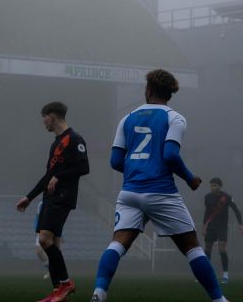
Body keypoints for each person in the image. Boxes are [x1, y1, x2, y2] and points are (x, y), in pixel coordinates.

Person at [90, 69, 229, 302]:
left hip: (130, 193)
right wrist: (189, 178)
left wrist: (137, 171)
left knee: (117, 243)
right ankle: (218, 299)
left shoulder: (127, 118)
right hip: (161, 192)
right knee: (192, 248)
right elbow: (171, 155)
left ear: (148, 90)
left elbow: (115, 161)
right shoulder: (175, 118)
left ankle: (99, 292)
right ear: (169, 93)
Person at [16, 101, 89, 302]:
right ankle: (58, 292)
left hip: (63, 196)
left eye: (44, 117)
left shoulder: (74, 139)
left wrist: (60, 176)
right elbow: (48, 175)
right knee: (53, 243)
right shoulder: (56, 143)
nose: (43, 122)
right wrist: (29, 197)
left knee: (44, 240)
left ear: (53, 116)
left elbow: (84, 168)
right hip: (50, 197)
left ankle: (65, 283)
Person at [203, 177, 243, 284]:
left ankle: (225, 275)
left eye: (215, 185)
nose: (213, 188)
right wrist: (204, 227)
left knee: (222, 249)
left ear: (220, 186)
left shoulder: (227, 197)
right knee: (207, 249)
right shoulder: (207, 197)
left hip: (222, 227)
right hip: (211, 227)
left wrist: (240, 225)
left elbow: (236, 210)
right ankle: (205, 274)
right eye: (211, 185)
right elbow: (207, 213)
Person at [34, 201, 51, 280]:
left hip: (51, 229)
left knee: (52, 252)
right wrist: (36, 228)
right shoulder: (41, 203)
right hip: (41, 229)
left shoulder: (57, 202)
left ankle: (57, 273)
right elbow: (38, 217)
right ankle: (50, 269)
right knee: (38, 250)